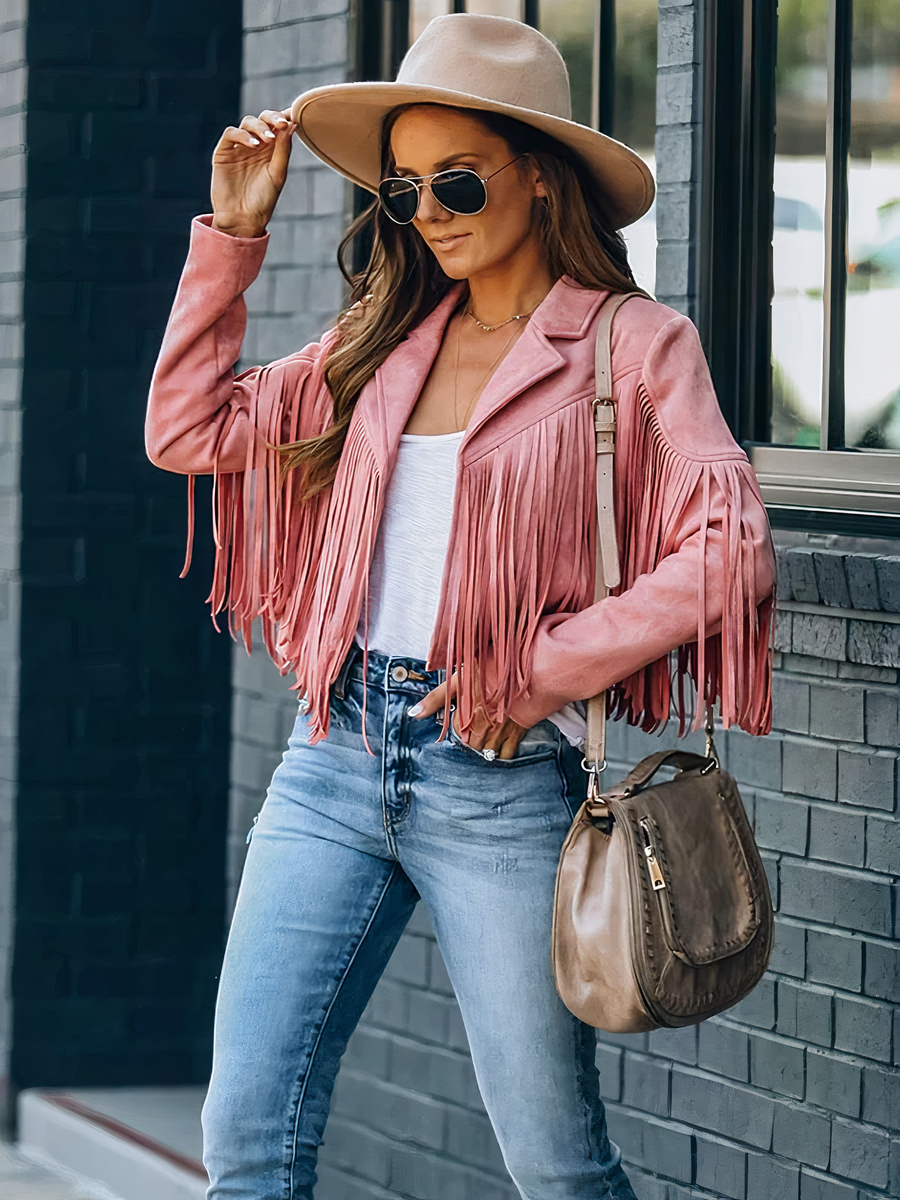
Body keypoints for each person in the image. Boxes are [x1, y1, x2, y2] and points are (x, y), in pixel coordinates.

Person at [145, 14, 775, 1200]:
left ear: (539, 178)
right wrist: (233, 233)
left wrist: (545, 670)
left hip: (497, 780)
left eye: (456, 179)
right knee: (244, 1140)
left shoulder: (631, 348)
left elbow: (728, 546)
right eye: (401, 191)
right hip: (332, 755)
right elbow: (185, 432)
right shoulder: (377, 345)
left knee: (555, 1165)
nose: (427, 212)